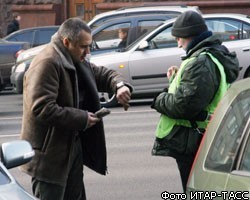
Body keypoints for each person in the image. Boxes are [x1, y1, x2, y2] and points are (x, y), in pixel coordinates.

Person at [20, 17, 132, 200]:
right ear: (66, 42)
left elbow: (100, 74)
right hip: (50, 159)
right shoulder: (47, 63)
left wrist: (119, 85)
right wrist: (82, 118)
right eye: (83, 47)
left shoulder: (72, 56)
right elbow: (41, 108)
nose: (87, 52)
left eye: (89, 46)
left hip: (70, 150)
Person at [151, 11, 239, 192]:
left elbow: (184, 106)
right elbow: (194, 95)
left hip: (194, 140)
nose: (178, 44)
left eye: (179, 39)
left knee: (196, 191)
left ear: (189, 36)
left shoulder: (201, 62)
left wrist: (159, 99)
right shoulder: (205, 57)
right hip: (200, 137)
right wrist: (175, 80)